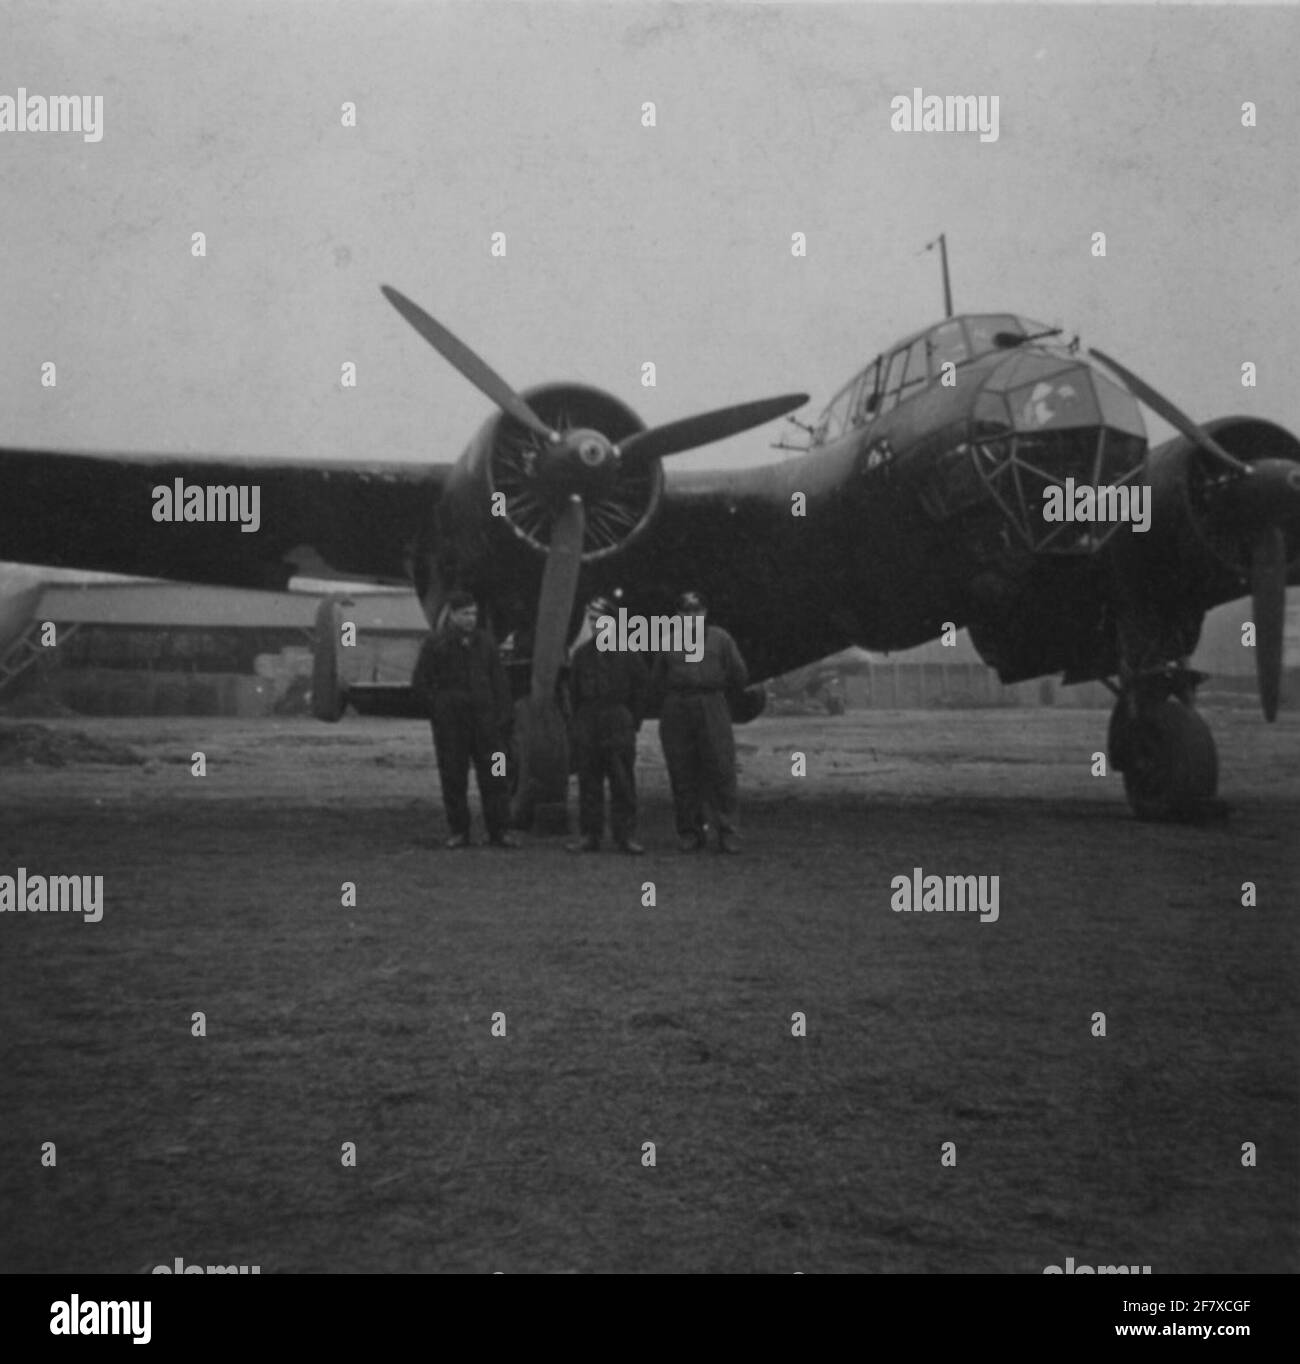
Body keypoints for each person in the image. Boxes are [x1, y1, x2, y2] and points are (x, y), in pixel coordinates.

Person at [411, 589, 519, 849]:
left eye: (474, 614)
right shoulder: (435, 644)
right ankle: (459, 831)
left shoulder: (486, 643)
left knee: (496, 777)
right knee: (453, 778)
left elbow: (499, 682)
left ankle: (499, 831)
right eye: (465, 614)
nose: (471, 619)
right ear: (453, 615)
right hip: (452, 726)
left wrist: (502, 717)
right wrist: (439, 711)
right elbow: (420, 684)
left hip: (486, 724)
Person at [652, 590, 748, 853]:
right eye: (686, 612)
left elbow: (739, 674)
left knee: (721, 769)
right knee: (682, 772)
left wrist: (714, 695)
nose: (691, 617)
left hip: (711, 703)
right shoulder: (667, 641)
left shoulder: (721, 640)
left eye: (697, 611)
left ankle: (728, 831)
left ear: (705, 613)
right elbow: (657, 679)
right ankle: (690, 832)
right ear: (678, 615)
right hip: (677, 707)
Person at [566, 593, 648, 855]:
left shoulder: (629, 654)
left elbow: (641, 693)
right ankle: (590, 834)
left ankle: (625, 836)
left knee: (622, 781)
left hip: (618, 719)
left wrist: (629, 721)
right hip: (589, 720)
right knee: (589, 781)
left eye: (601, 620)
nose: (595, 625)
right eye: (591, 620)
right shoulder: (580, 656)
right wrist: (580, 725)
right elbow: (574, 694)